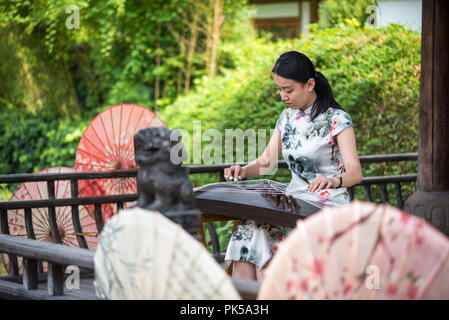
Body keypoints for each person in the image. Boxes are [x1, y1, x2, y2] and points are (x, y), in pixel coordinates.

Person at [223, 51, 363, 281]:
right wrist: (243, 170)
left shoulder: (337, 119)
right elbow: (266, 163)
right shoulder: (287, 117)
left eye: (288, 90)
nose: (283, 96)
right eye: (279, 90)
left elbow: (355, 173)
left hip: (325, 203)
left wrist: (334, 180)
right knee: (247, 231)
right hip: (293, 201)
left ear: (309, 84)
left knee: (274, 245)